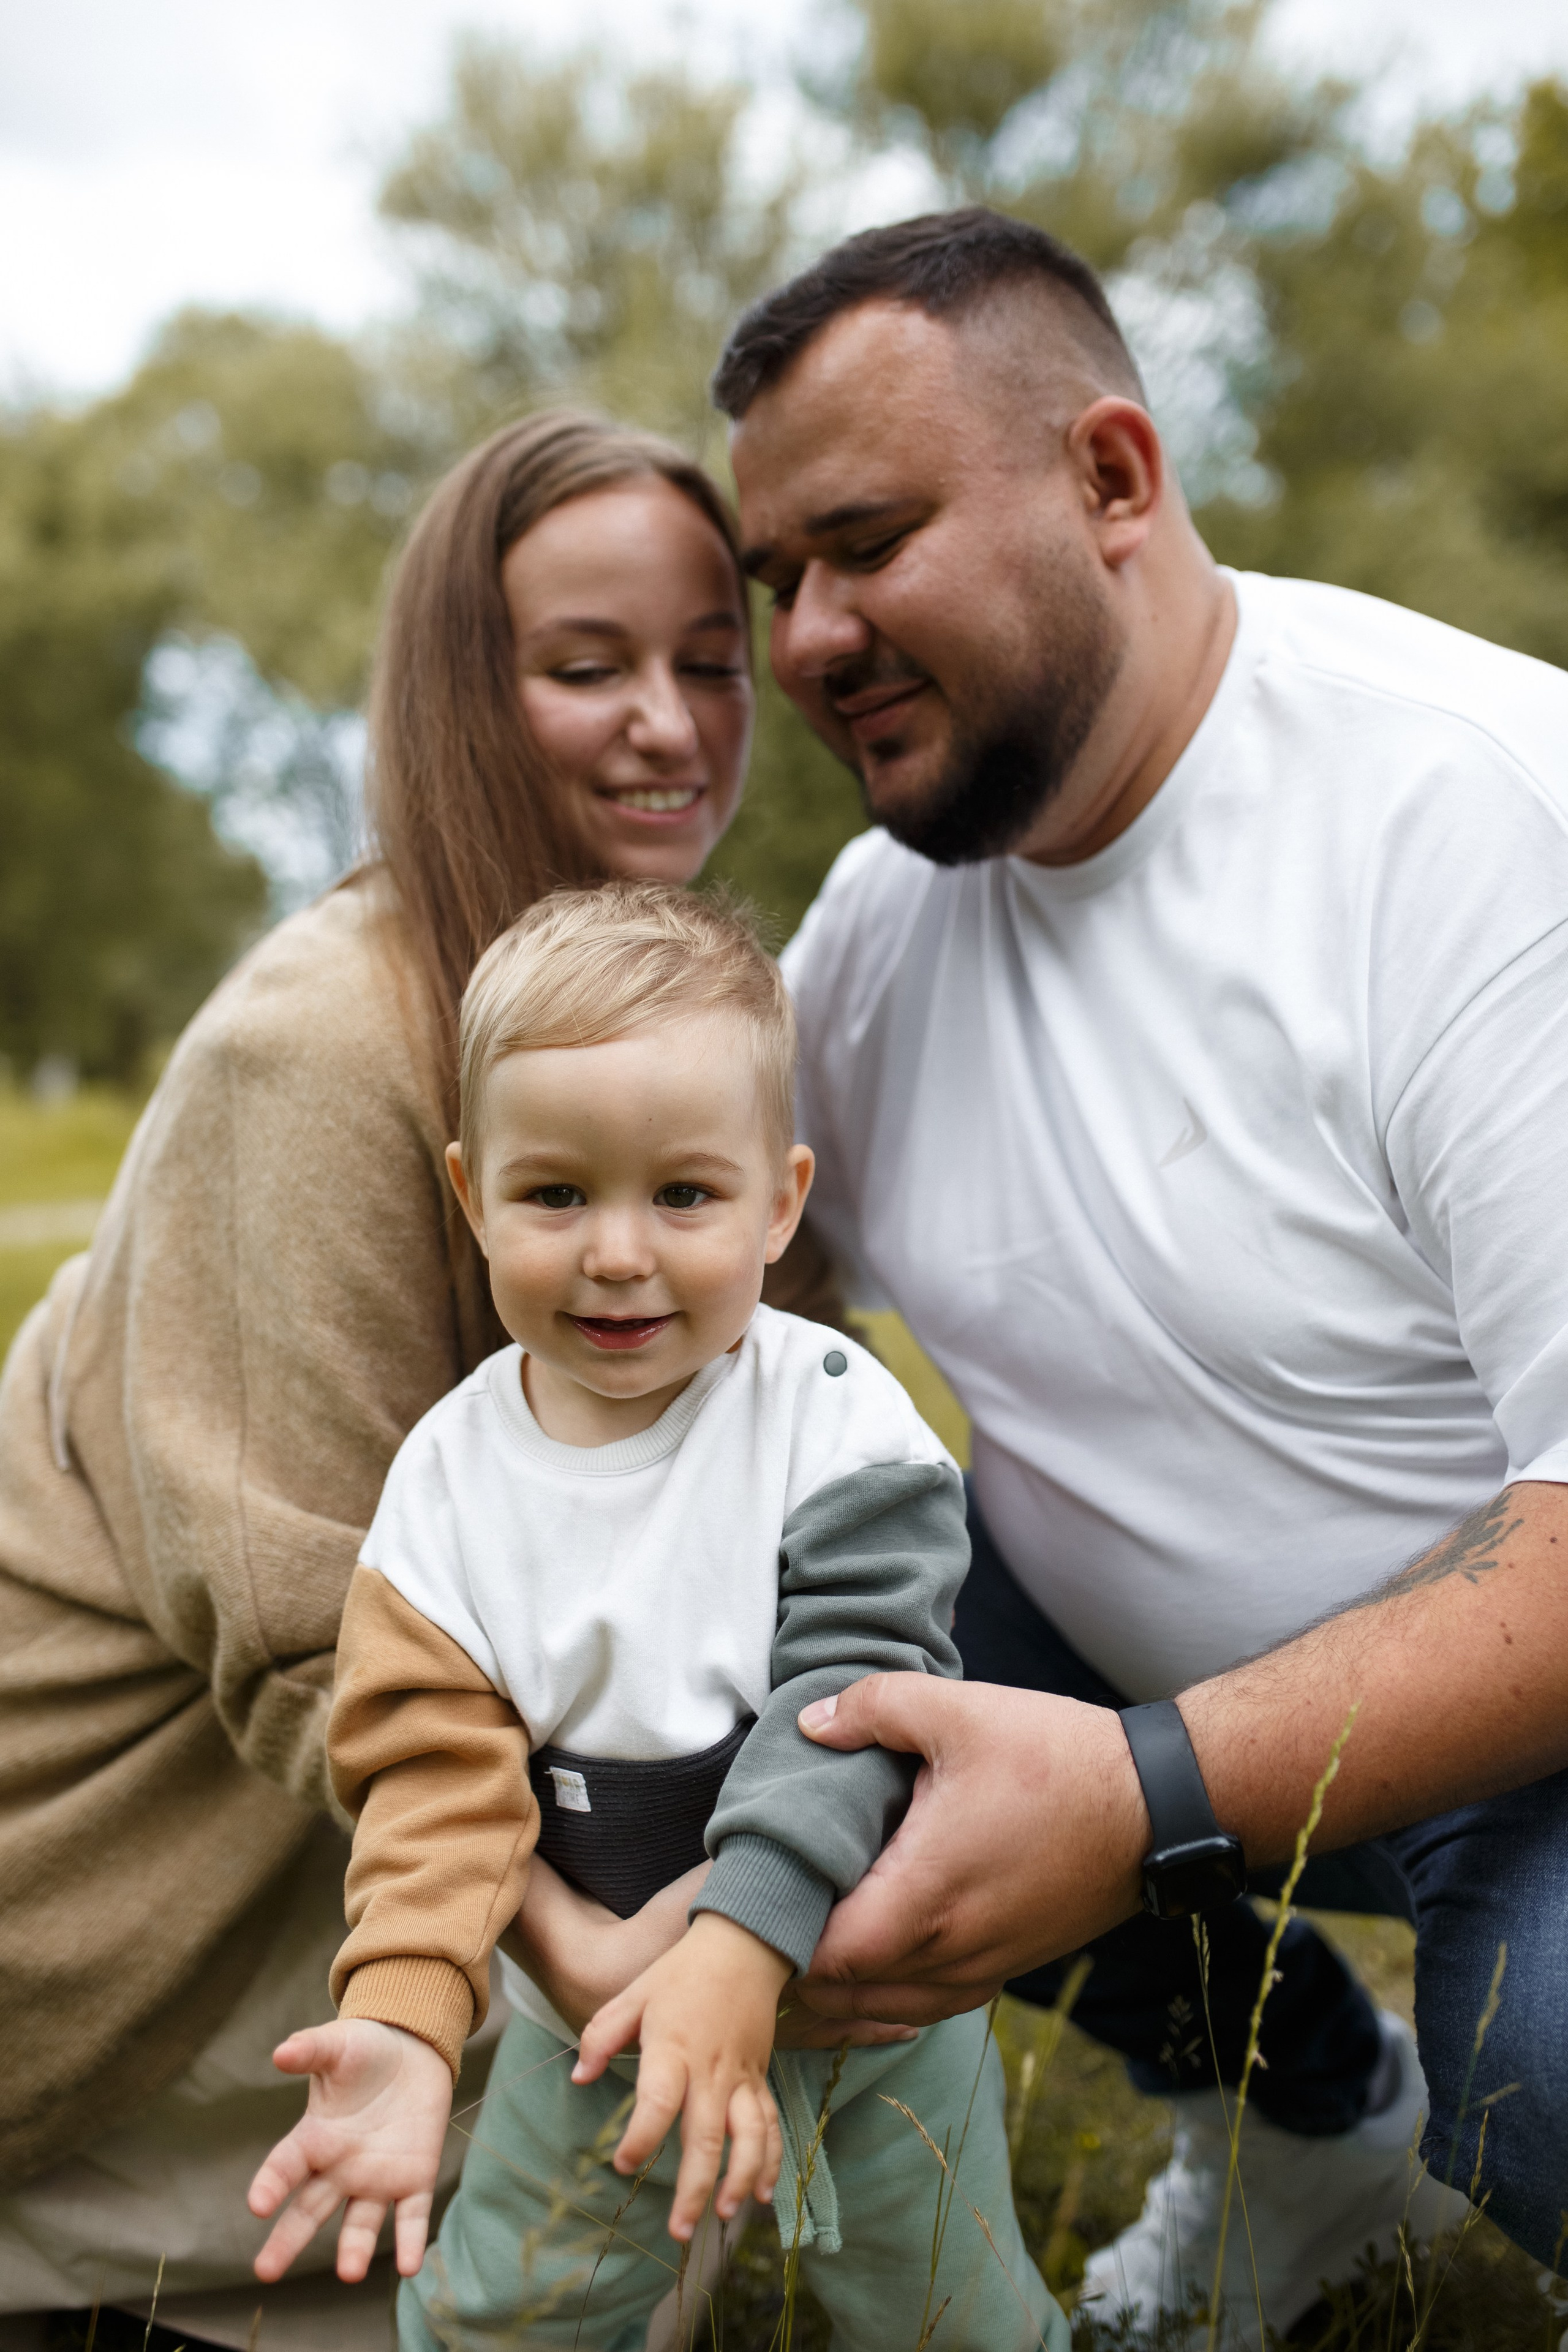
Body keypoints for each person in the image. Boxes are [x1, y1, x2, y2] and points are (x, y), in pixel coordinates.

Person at [688, 205, 1568, 2339]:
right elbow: (700, 1342)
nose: (806, 640)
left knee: (1553, 2058)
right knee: (728, 1587)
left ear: (1112, 480)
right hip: (1152, 1740)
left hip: (1521, 1747)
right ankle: (1301, 2140)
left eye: (867, 542)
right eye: (775, 580)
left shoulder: (1472, 818)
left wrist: (1135, 1794)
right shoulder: (893, 933)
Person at [0, 410, 801, 2351]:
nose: (673, 726)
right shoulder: (331, 1032)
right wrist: (598, 1938)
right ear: (464, 686)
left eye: (711, 661)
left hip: (459, 1792)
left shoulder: (659, 1023)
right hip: (174, 1834)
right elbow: (303, 1631)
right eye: (587, 666)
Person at [244, 881, 1062, 2352]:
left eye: (682, 1195)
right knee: (514, 2308)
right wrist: (406, 2018)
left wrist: (737, 1949)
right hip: (599, 2031)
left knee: (945, 2310)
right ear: (469, 1196)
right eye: (555, 1195)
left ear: (778, 1203)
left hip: (860, 2000)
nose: (617, 1251)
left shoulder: (834, 1427)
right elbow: (431, 1778)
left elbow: (856, 1699)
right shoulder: (448, 1482)